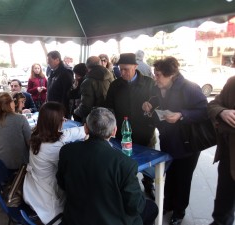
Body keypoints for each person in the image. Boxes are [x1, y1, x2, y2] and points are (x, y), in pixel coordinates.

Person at [56, 107, 158, 225]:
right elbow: (135, 206)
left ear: (86, 128)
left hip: (75, 219)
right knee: (151, 208)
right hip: (110, 220)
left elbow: (62, 184)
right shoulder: (125, 164)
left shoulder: (67, 151)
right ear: (114, 131)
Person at [142, 56, 208, 225]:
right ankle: (168, 203)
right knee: (169, 175)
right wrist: (148, 105)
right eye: (155, 74)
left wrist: (182, 115)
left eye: (158, 75)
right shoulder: (158, 87)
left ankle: (179, 211)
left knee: (183, 177)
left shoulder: (189, 88)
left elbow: (205, 111)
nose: (155, 78)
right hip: (167, 139)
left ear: (171, 75)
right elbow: (155, 102)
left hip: (187, 142)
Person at [23, 102, 86, 224]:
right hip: (47, 201)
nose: (64, 120)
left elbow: (64, 135)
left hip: (33, 187)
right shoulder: (52, 147)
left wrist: (84, 130)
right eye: (61, 118)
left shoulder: (37, 134)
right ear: (54, 122)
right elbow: (69, 171)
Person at [105, 53, 156, 200]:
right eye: (120, 69)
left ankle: (148, 184)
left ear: (135, 67)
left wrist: (151, 112)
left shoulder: (149, 83)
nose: (122, 73)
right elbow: (109, 107)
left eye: (126, 69)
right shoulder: (115, 85)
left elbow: (158, 103)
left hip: (145, 131)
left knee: (148, 163)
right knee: (124, 162)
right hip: (122, 131)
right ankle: (126, 187)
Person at [208, 76, 235, 225]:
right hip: (228, 155)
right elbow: (213, 105)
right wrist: (222, 112)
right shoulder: (232, 82)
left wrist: (221, 125)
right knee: (223, 199)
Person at [0, 92, 31, 170]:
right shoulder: (20, 119)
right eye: (13, 101)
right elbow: (30, 142)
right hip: (17, 163)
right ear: (9, 104)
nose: (14, 103)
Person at [74, 56, 114, 122]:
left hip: (93, 119)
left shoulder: (87, 82)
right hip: (108, 117)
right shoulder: (111, 76)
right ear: (100, 64)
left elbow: (86, 106)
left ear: (87, 66)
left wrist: (76, 112)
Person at [46, 51, 73, 118]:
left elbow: (66, 94)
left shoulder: (66, 73)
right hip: (51, 106)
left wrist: (63, 111)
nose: (48, 62)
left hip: (60, 109)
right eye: (47, 60)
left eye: (50, 60)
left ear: (57, 60)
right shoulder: (51, 71)